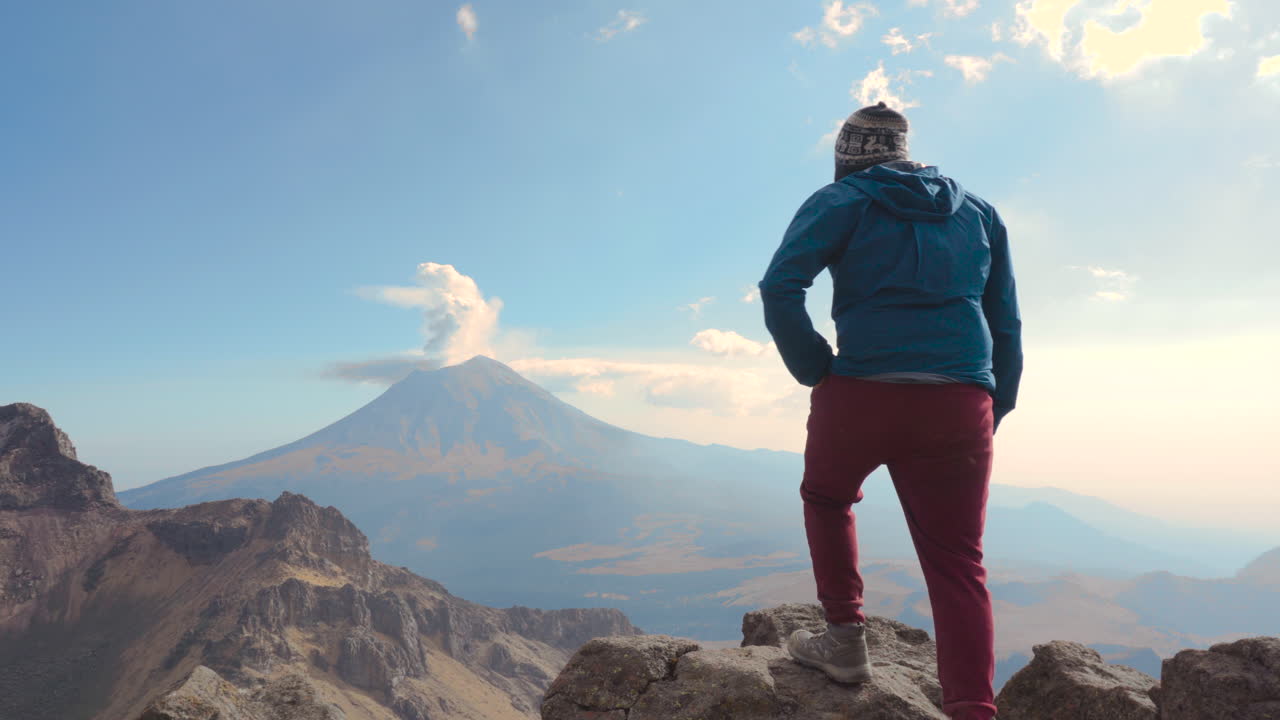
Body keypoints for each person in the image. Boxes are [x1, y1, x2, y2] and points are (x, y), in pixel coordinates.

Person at [757, 101, 1023, 720]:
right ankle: (972, 709)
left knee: (827, 497)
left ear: (847, 161)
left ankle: (845, 639)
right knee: (958, 563)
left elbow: (780, 286)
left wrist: (814, 367)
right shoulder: (979, 213)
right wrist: (993, 401)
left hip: (863, 390)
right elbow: (1003, 317)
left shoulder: (842, 201)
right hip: (960, 399)